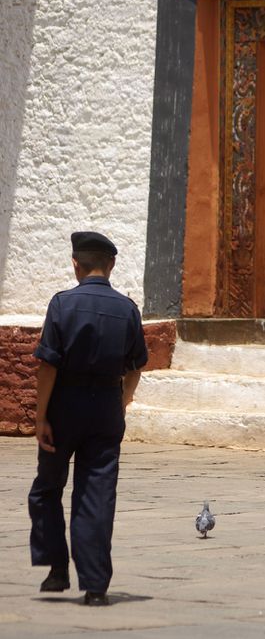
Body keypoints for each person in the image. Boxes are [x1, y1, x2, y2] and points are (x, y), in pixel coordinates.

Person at [28, 231, 148, 606]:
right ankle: (95, 586)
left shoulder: (62, 304)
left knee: (48, 487)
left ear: (75, 264)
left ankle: (57, 569)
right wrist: (123, 400)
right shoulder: (127, 308)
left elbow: (48, 365)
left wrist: (41, 415)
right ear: (110, 265)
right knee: (97, 493)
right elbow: (136, 364)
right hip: (105, 407)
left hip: (64, 403)